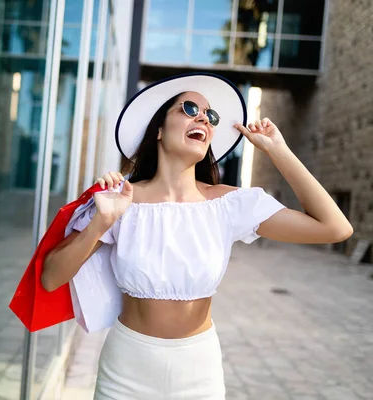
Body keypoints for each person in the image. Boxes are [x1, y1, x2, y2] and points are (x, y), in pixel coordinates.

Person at [40, 73, 353, 399]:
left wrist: (279, 151)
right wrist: (100, 222)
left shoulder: (231, 204)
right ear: (159, 130)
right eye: (189, 108)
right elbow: (51, 278)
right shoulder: (120, 200)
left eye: (210, 115)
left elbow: (335, 228)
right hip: (126, 366)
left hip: (198, 369)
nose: (204, 116)